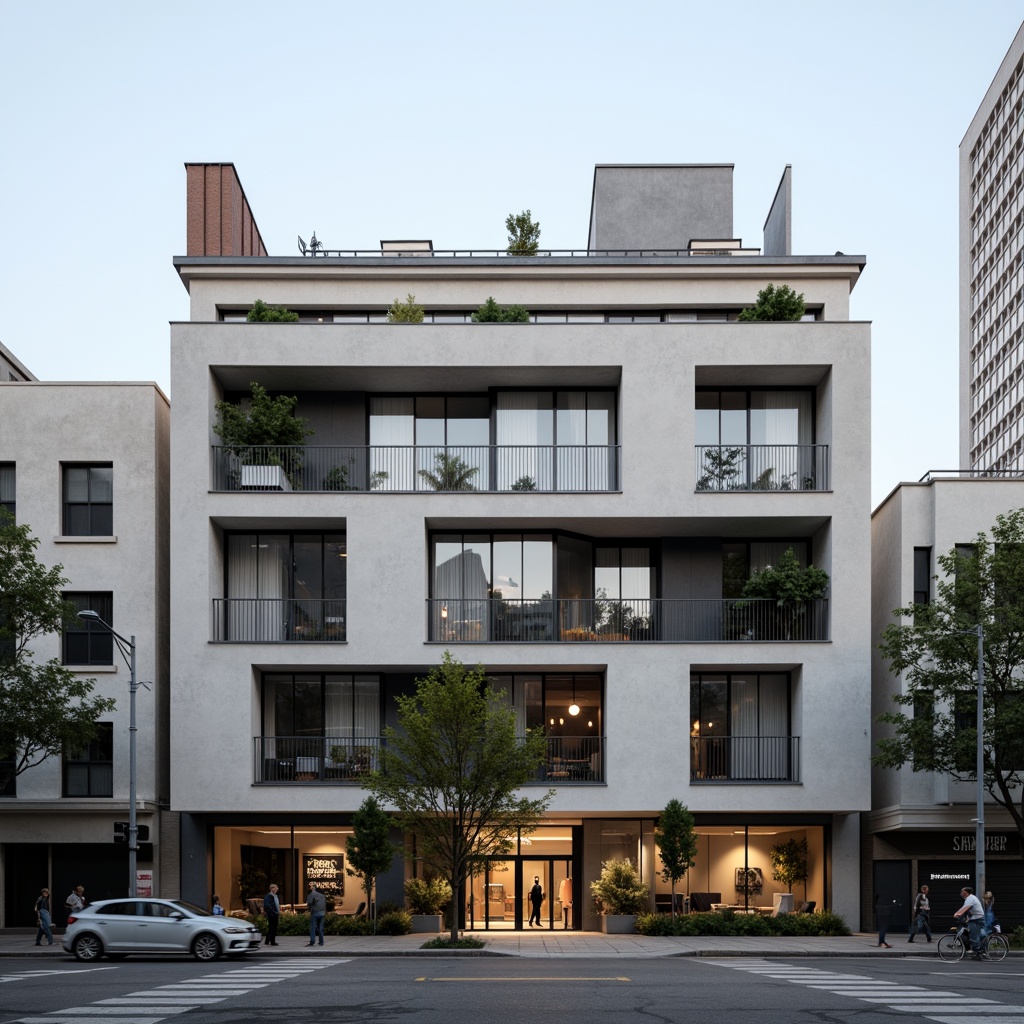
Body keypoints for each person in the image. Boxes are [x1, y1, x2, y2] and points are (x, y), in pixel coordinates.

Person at [953, 886, 986, 959]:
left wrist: (957, 914)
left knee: (973, 936)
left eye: (963, 892)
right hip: (974, 918)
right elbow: (965, 909)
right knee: (970, 934)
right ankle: (976, 950)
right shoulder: (968, 898)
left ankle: (978, 952)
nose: (961, 893)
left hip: (977, 919)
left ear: (966, 893)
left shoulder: (970, 899)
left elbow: (965, 908)